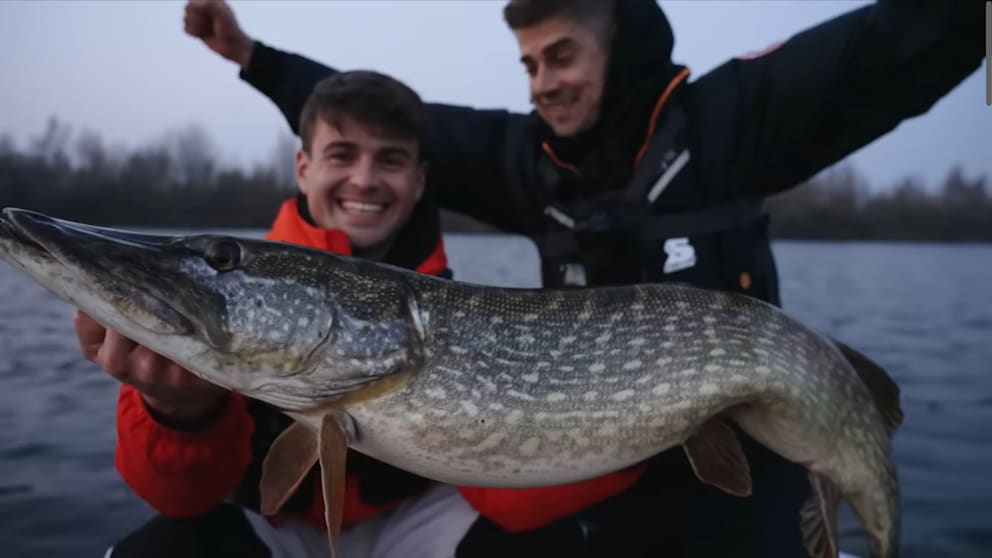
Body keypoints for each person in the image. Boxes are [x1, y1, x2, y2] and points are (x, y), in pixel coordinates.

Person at [172, 0, 985, 556]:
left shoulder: (733, 118)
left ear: (618, 42)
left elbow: (874, 55)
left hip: (747, 464)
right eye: (528, 64)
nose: (542, 82)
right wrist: (253, 57)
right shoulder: (530, 159)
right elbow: (389, 129)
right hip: (600, 464)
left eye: (561, 55)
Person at [82, 69, 483, 558]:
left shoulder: (462, 304)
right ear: (304, 168)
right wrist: (179, 412)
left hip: (419, 523)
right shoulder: (241, 298)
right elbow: (179, 498)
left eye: (391, 160)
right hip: (276, 528)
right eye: (341, 155)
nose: (364, 179)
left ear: (419, 181)